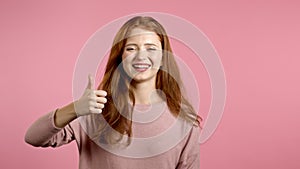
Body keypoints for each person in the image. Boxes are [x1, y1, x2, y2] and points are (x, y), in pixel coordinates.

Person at [25, 16, 202, 169]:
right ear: (120, 57)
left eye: (151, 48)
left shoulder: (184, 124)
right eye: (131, 48)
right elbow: (33, 137)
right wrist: (76, 108)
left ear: (163, 57)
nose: (141, 56)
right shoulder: (95, 110)